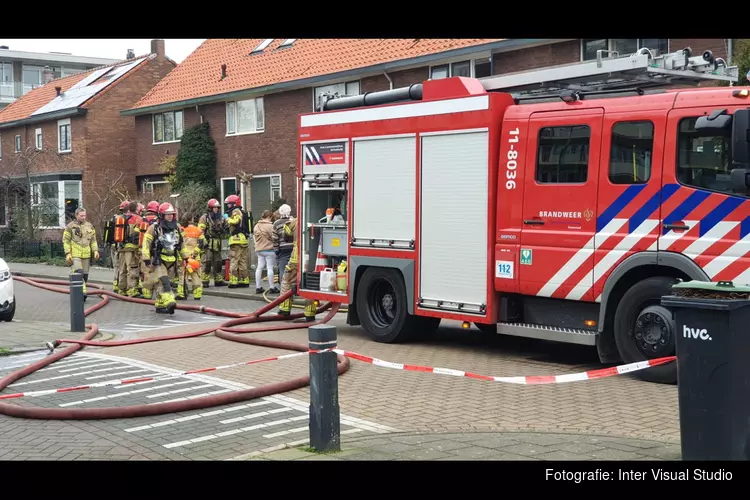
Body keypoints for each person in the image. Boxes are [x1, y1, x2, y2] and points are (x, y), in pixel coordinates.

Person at [141, 202, 181, 313]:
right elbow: (146, 244)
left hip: (172, 260)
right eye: (167, 214)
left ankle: (159, 305)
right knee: (165, 282)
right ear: (162, 215)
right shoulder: (153, 228)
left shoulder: (177, 228)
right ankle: (170, 302)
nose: (170, 216)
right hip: (159, 260)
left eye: (172, 214)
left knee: (164, 283)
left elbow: (182, 244)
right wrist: (146, 258)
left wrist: (186, 258)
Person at [278, 216, 316, 321]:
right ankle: (310, 313)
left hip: (296, 258)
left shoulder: (295, 221)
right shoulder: (316, 219)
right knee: (310, 284)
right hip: (312, 259)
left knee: (287, 281)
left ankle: (285, 309)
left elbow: (286, 235)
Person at [62, 207, 99, 301]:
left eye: (84, 215)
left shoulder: (89, 226)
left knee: (85, 276)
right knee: (79, 273)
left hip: (86, 255)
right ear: (76, 215)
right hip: (75, 254)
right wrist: (68, 253)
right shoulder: (70, 227)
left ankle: (80, 291)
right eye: (81, 215)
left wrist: (95, 251)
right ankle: (82, 293)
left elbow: (93, 240)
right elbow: (66, 241)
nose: (83, 217)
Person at [198, 198, 228, 287]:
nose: (216, 209)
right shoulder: (205, 218)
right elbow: (200, 231)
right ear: (210, 208)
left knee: (218, 262)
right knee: (207, 262)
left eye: (217, 208)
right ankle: (205, 280)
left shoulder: (221, 218)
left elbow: (226, 227)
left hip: (217, 243)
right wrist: (204, 241)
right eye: (214, 208)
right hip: (208, 243)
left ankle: (218, 280)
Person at [117, 201, 144, 297]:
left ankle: (122, 289)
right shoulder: (138, 219)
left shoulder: (121, 218)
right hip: (132, 250)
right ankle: (132, 290)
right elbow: (140, 235)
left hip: (121, 248)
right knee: (132, 269)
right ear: (137, 209)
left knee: (122, 269)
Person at [177, 216, 207, 300]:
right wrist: (195, 253)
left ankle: (182, 294)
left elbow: (178, 242)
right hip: (194, 259)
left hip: (184, 258)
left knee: (183, 276)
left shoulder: (181, 230)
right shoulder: (198, 230)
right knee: (196, 276)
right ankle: (197, 294)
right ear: (192, 219)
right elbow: (203, 243)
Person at [224, 194, 251, 288]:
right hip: (243, 239)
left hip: (236, 240)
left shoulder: (236, 211)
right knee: (242, 261)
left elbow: (235, 221)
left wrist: (227, 218)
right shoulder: (242, 212)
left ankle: (234, 281)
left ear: (234, 204)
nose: (228, 206)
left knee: (234, 260)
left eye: (229, 204)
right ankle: (244, 280)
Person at [103, 200, 129, 293]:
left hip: (113, 246)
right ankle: (119, 284)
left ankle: (115, 284)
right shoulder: (124, 220)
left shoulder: (114, 218)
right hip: (120, 247)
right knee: (121, 267)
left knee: (116, 266)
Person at [253, 210, 279, 295]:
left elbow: (254, 238)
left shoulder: (256, 226)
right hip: (269, 249)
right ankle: (272, 287)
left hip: (259, 250)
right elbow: (274, 237)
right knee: (269, 268)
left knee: (259, 267)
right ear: (269, 217)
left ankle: (258, 287)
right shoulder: (270, 226)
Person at [139, 201, 160, 300]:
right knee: (156, 271)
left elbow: (136, 234)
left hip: (143, 250)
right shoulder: (158, 220)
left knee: (146, 271)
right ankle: (156, 291)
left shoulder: (142, 220)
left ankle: (147, 294)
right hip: (156, 250)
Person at [272, 204, 294, 286]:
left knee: (283, 269)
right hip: (294, 249)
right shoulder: (293, 221)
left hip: (283, 250)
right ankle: (293, 288)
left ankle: (283, 288)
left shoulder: (276, 224)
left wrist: (276, 250)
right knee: (294, 269)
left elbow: (274, 239)